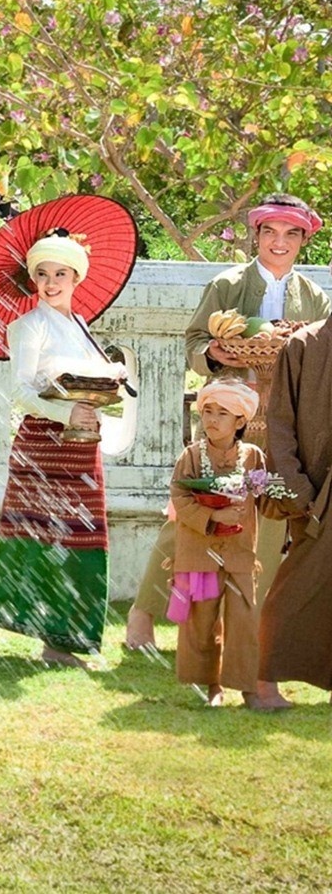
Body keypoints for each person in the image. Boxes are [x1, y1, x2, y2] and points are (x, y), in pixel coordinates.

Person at [127, 195, 328, 650]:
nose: (280, 243)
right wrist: (214, 354)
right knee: (194, 519)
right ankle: (143, 614)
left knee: (272, 520)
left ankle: (245, 628)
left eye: (291, 234)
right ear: (256, 236)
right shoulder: (226, 285)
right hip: (228, 428)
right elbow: (195, 343)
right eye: (270, 233)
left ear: (302, 241)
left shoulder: (314, 298)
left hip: (281, 437)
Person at [0, 232, 122, 666]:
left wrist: (103, 399)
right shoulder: (27, 327)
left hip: (83, 447)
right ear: (33, 280)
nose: (51, 283)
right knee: (28, 536)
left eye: (61, 274)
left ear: (76, 278)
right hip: (43, 446)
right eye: (43, 275)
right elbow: (21, 391)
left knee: (81, 538)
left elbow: (86, 385)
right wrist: (68, 414)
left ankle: (60, 641)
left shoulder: (81, 326)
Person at [165, 379, 287, 706]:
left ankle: (248, 689)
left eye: (223, 413)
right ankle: (212, 688)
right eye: (207, 411)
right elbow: (179, 496)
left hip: (240, 555)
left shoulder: (253, 456)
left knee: (245, 621)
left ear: (241, 422)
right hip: (199, 554)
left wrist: (282, 495)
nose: (212, 420)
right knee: (202, 622)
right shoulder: (191, 456)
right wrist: (214, 517)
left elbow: (265, 498)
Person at [258, 311, 332, 694]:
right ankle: (262, 679)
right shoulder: (304, 344)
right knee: (298, 585)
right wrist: (299, 490)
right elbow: (279, 424)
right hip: (316, 492)